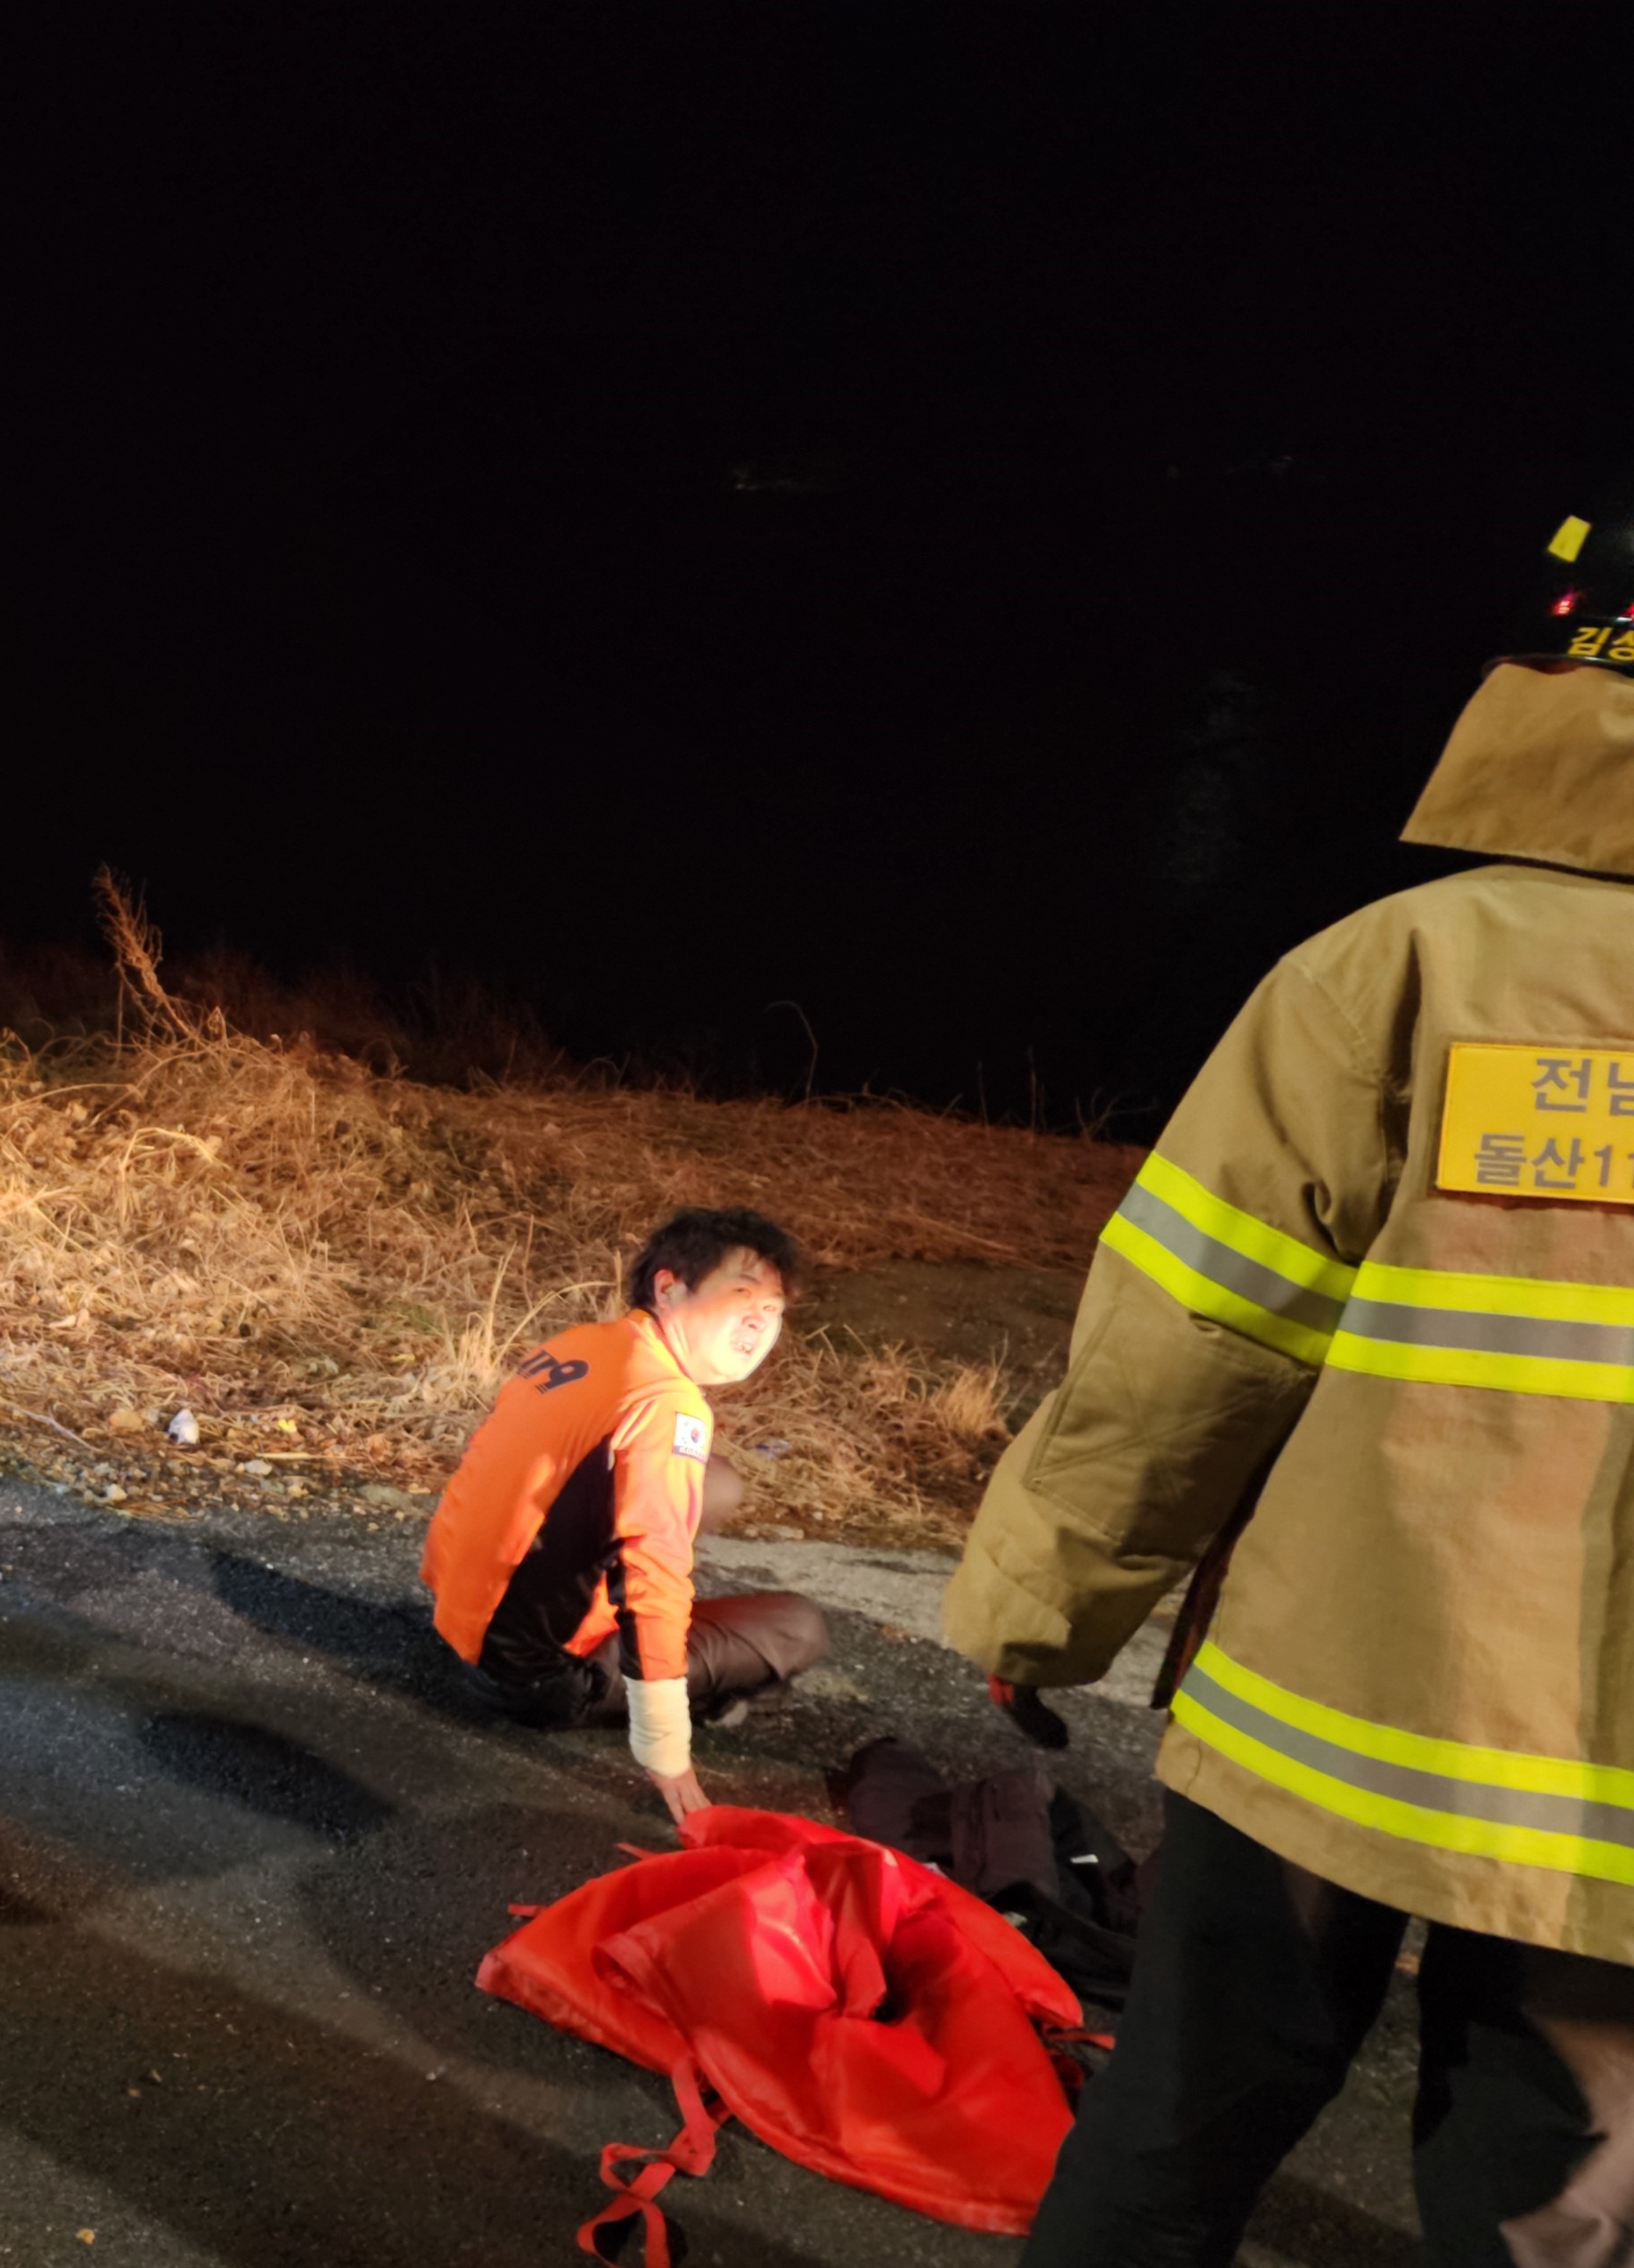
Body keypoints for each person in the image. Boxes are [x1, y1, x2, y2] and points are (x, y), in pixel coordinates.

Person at [949, 635, 1634, 2263]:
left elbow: (1194, 1334)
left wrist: (1043, 1606)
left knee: (1171, 2138)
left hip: (1325, 1710)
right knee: (1554, 2203)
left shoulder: (1400, 966)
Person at [421, 1206, 829, 1823]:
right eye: (741, 1296)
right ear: (670, 1288)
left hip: (460, 1625)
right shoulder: (668, 1405)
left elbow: (482, 1473)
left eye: (773, 1310)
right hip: (539, 1679)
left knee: (713, 1482)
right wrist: (665, 1747)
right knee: (798, 1626)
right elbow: (653, 1577)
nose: (758, 1323)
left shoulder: (581, 1345)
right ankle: (700, 1698)